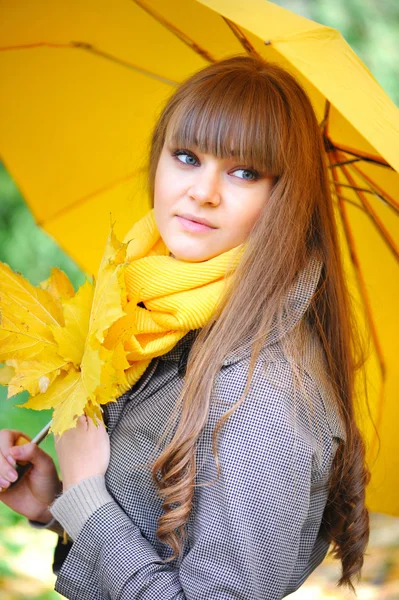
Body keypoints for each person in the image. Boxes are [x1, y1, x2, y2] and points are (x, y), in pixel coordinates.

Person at [0, 55, 370, 599]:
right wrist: (59, 505)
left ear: (285, 198)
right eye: (187, 156)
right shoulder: (169, 321)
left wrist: (87, 497)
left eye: (244, 171)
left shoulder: (266, 395)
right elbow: (168, 545)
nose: (203, 191)